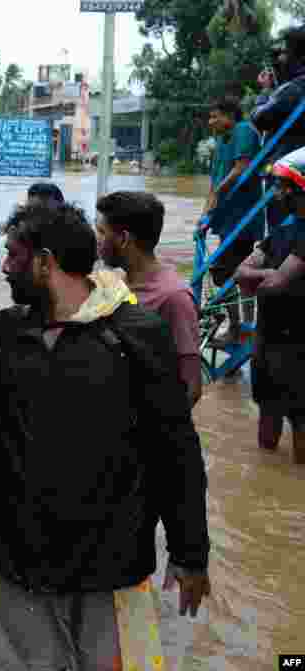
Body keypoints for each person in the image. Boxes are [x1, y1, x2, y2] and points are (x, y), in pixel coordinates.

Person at [0, 201, 210, 671]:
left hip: (110, 567)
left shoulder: (137, 335)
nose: (5, 268)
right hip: (18, 559)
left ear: (44, 262)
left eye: (14, 257)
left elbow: (175, 451)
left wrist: (190, 552)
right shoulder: (3, 334)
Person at [96, 190, 202, 407]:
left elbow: (192, 387)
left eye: (101, 231)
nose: (96, 239)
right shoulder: (121, 283)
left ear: (124, 239)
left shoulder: (173, 297)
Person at [235, 146, 305, 463]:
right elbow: (241, 274)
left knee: (301, 425)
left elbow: (276, 284)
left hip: (299, 346)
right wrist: (267, 273)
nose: (277, 194)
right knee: (267, 420)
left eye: (283, 187)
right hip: (268, 340)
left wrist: (262, 276)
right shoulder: (281, 232)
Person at [203, 97, 265, 348]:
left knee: (223, 271)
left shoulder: (243, 131)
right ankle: (238, 325)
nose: (211, 122)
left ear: (230, 116)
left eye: (215, 116)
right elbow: (216, 180)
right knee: (228, 272)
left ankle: (239, 327)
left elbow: (242, 167)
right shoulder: (221, 140)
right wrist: (205, 215)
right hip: (227, 219)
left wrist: (218, 193)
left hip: (242, 219)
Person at [253, 26, 305, 235]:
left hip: (288, 178)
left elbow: (260, 118)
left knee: (282, 235)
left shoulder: (292, 90)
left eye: (285, 52)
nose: (281, 58)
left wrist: (265, 91)